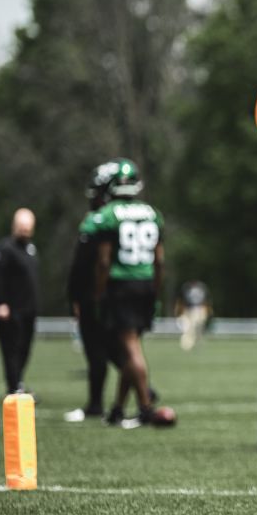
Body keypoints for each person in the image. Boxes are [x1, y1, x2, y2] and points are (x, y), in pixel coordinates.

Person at [90, 159, 169, 429]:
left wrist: (99, 293)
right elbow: (160, 261)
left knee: (130, 347)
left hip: (121, 284)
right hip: (146, 282)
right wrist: (155, 290)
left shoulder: (108, 215)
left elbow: (103, 262)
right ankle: (118, 408)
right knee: (131, 347)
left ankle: (145, 406)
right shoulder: (152, 212)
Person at [64, 167, 118, 422]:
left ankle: (97, 404)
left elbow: (86, 264)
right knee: (115, 348)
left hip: (95, 296)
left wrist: (81, 295)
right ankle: (144, 392)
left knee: (102, 350)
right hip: (108, 295)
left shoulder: (100, 221)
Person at [0, 208, 39, 396]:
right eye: (22, 227)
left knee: (25, 348)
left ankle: (18, 381)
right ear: (14, 226)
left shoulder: (31, 248)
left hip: (29, 309)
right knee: (11, 349)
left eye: (28, 228)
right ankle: (13, 386)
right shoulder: (4, 249)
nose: (25, 231)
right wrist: (0, 302)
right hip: (11, 310)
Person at [174, 280, 212, 351]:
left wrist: (207, 310)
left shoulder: (202, 288)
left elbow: (206, 301)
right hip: (189, 309)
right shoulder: (186, 288)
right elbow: (181, 300)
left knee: (197, 327)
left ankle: (196, 343)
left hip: (199, 309)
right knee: (189, 328)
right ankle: (187, 345)